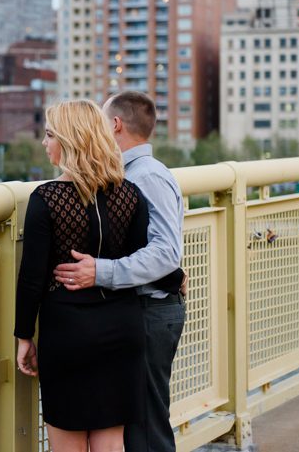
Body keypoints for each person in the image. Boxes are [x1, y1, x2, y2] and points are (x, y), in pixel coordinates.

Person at [14, 99, 183, 452]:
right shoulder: (130, 194)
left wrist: (24, 336)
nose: (44, 143)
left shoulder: (46, 198)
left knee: (69, 445)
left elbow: (32, 279)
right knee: (111, 445)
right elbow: (138, 252)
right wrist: (173, 278)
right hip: (122, 330)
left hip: (68, 333)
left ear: (70, 139)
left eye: (50, 135)